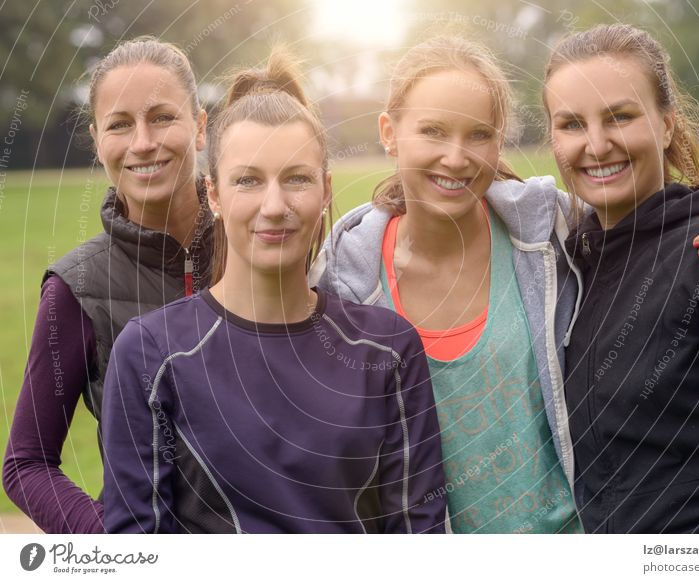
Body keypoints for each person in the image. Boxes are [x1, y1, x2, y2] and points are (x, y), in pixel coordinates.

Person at [310, 35, 699, 534]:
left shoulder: (552, 232)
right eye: (433, 131)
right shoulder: (342, 284)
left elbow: (647, 225)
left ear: (500, 139)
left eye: (478, 135)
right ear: (389, 132)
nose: (456, 157)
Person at [101, 51, 447, 534]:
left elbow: (418, 534)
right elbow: (136, 545)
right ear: (215, 195)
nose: (274, 205)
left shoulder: (388, 349)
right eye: (248, 180)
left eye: (296, 179)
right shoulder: (149, 354)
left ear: (325, 191)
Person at [542, 23, 699, 533]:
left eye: (620, 116)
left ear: (665, 124)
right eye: (571, 124)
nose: (596, 144)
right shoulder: (562, 264)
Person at [2, 37, 212, 533]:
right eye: (120, 124)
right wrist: (117, 541)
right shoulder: (76, 287)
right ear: (98, 141)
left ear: (200, 128)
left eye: (162, 117)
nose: (143, 142)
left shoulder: (260, 247)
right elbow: (26, 463)